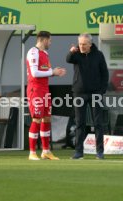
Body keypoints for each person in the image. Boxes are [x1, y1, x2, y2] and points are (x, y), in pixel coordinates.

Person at [66, 33, 109, 159]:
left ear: (90, 44)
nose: (81, 46)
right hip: (79, 93)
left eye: (84, 44)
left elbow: (105, 74)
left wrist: (102, 91)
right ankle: (79, 152)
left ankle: (100, 152)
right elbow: (68, 60)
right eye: (80, 44)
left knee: (98, 123)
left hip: (96, 93)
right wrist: (71, 52)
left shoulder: (99, 55)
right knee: (79, 123)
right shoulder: (76, 54)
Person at [26, 31, 66, 160]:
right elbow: (35, 73)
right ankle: (32, 152)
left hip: (45, 90)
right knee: (36, 119)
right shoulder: (33, 52)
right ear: (44, 40)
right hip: (35, 90)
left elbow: (45, 71)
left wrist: (55, 72)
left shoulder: (45, 54)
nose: (50, 43)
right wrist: (52, 72)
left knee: (47, 118)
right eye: (50, 40)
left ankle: (46, 151)